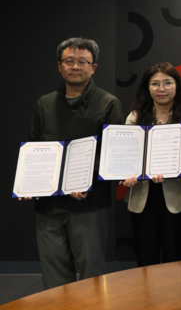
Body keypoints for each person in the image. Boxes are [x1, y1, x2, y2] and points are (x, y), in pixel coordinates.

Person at [26, 37, 124, 289]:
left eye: (83, 61)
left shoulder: (108, 103)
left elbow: (113, 154)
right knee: (53, 268)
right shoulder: (44, 103)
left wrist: (84, 181)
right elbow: (34, 147)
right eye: (69, 61)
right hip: (48, 203)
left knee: (91, 271)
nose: (75, 66)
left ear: (94, 67)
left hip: (88, 202)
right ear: (59, 65)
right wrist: (30, 183)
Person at [119, 62, 181, 266]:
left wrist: (173, 169)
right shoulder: (135, 118)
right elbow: (128, 154)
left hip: (177, 196)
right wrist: (128, 173)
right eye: (155, 84)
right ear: (147, 88)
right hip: (142, 195)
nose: (161, 89)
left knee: (175, 258)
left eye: (167, 83)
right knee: (146, 258)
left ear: (177, 86)